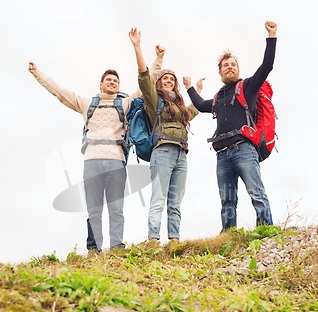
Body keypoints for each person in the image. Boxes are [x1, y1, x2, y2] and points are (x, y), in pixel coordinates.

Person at [28, 52, 164, 252]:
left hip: (116, 161)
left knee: (116, 208)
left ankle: (117, 246)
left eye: (115, 80)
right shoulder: (86, 104)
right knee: (94, 209)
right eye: (108, 80)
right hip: (91, 160)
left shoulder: (124, 103)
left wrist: (159, 59)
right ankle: (94, 249)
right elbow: (59, 92)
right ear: (100, 85)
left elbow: (147, 81)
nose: (112, 82)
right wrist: (37, 73)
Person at [183, 21, 277, 231]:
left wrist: (271, 37)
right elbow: (200, 105)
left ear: (238, 68)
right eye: (226, 65)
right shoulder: (217, 98)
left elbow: (267, 66)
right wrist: (190, 87)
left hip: (244, 149)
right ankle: (228, 236)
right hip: (222, 155)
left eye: (233, 64)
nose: (230, 67)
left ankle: (265, 231)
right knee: (227, 201)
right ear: (220, 72)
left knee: (256, 192)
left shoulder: (248, 87)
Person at [129, 28, 199, 242]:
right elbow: (143, 77)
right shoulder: (153, 100)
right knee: (159, 198)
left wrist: (195, 89)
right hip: (162, 152)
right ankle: (152, 239)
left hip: (181, 154)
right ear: (159, 82)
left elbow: (192, 112)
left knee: (175, 201)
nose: (168, 80)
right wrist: (137, 46)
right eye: (164, 78)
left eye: (171, 79)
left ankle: (174, 240)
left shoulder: (179, 107)